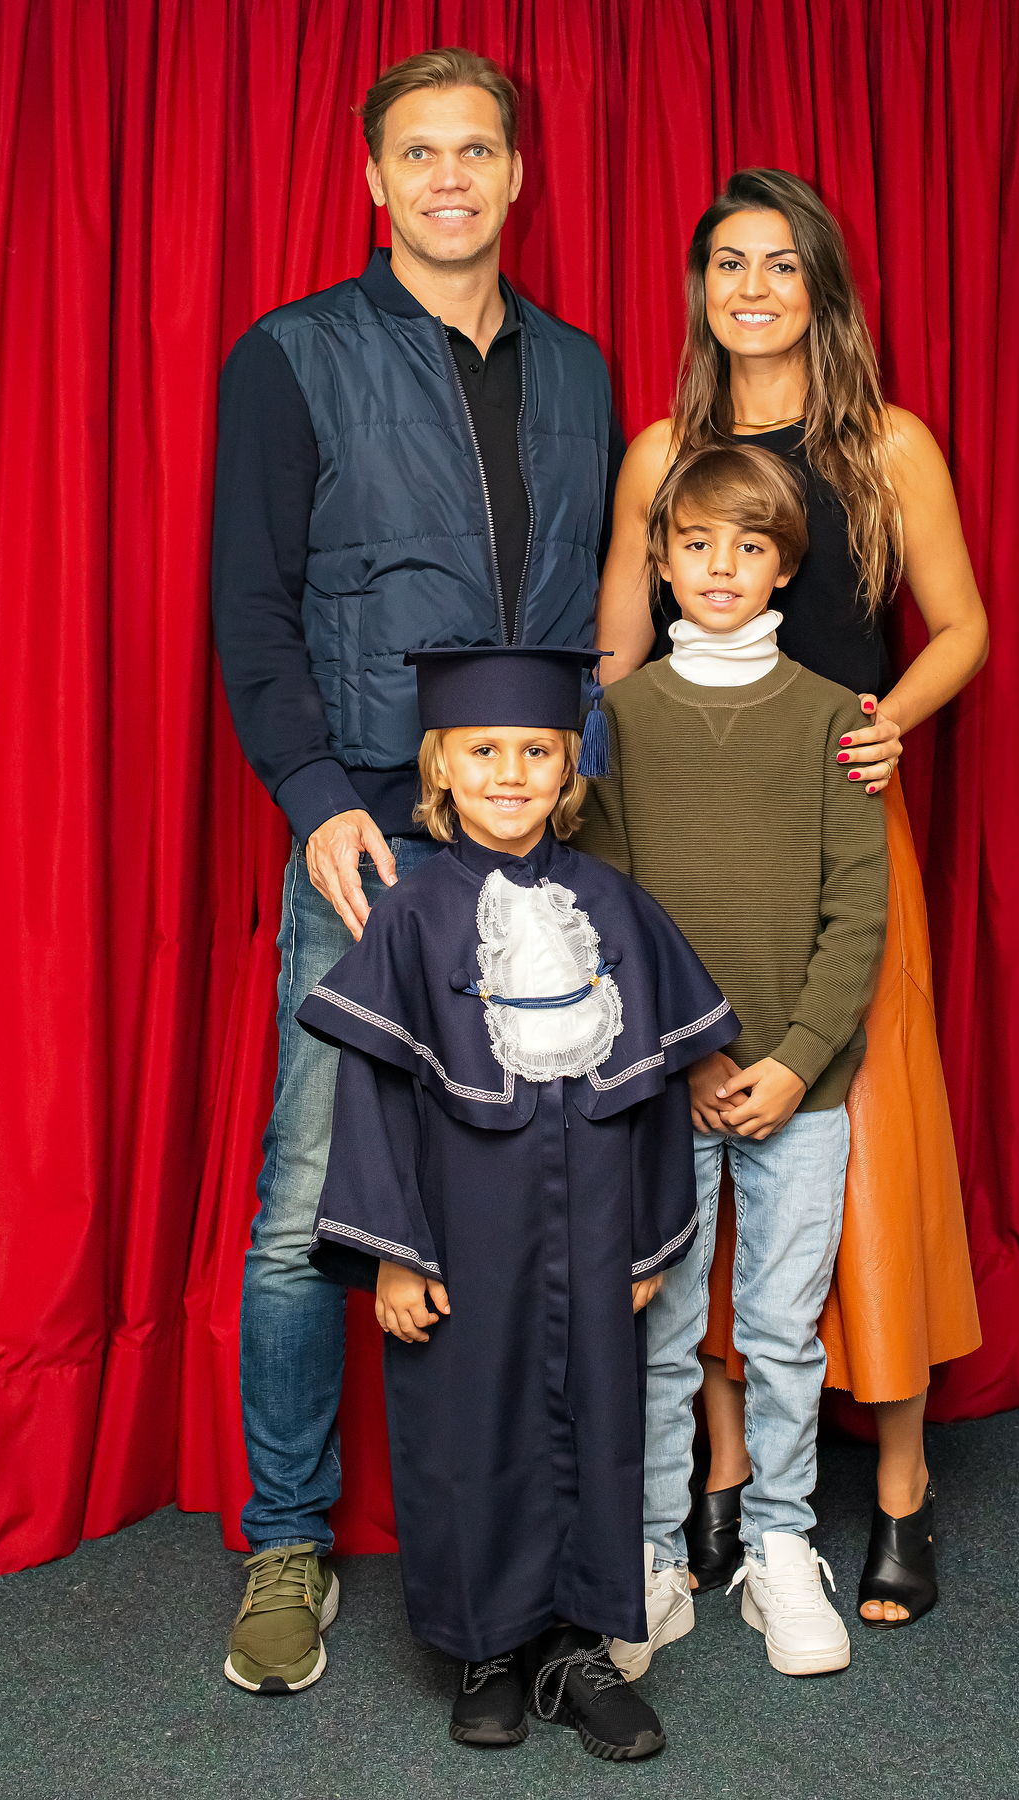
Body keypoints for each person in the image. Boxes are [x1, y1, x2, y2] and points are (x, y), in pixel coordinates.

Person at [211, 48, 625, 1693]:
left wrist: (597, 780)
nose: (450, 178)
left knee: (546, 1192)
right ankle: (287, 1542)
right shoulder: (291, 354)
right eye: (418, 153)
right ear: (375, 180)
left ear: (517, 175)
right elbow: (250, 605)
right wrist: (314, 796)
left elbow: (598, 608)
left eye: (477, 150)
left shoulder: (582, 371)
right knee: (312, 1198)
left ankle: (549, 1550)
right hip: (371, 835)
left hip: (538, 834)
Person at [595, 167, 986, 1629]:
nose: (751, 289)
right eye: (727, 264)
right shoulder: (662, 454)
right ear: (700, 289)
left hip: (840, 837)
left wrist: (892, 722)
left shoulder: (889, 443)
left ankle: (900, 1485)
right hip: (693, 843)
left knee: (867, 1155)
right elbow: (618, 657)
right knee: (691, 1140)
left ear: (822, 289)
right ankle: (725, 1474)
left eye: (779, 264)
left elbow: (962, 625)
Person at [296, 645, 740, 1756]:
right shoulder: (408, 916)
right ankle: (485, 1649)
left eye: (537, 752)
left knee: (598, 1422)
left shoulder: (618, 907)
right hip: (462, 1232)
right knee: (467, 1424)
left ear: (568, 766)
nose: (510, 774)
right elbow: (372, 1098)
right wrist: (395, 1252)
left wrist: (650, 1242)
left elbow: (654, 1092)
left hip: (595, 1227)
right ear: (439, 767)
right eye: (483, 751)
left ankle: (578, 1647)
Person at [577, 443, 889, 1677]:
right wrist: (691, 1058)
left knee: (782, 1332)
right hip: (666, 1088)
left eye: (749, 547)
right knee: (658, 1334)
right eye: (697, 544)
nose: (721, 567)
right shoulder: (622, 720)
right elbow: (608, 915)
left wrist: (796, 1061)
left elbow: (856, 915)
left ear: (783, 569)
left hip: (800, 1092)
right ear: (660, 562)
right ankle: (655, 1557)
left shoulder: (831, 718)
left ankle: (779, 1548)